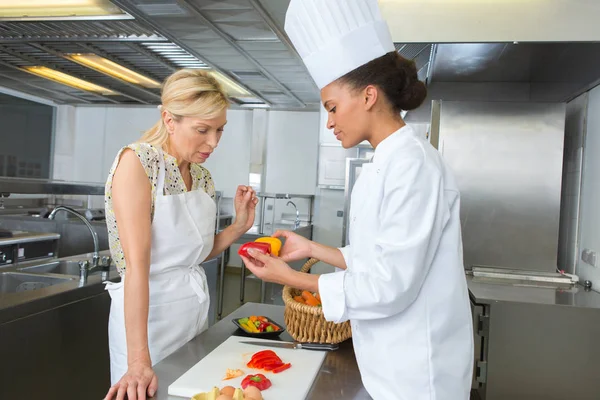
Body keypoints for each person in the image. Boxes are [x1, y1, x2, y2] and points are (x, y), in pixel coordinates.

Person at [240, 1, 474, 399]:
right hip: (387, 363)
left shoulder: (412, 165)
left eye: (332, 107)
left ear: (368, 96)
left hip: (418, 373)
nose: (329, 121)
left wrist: (291, 277)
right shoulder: (385, 161)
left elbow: (391, 285)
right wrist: (311, 248)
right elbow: (376, 256)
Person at [103, 69, 258, 400]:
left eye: (220, 130)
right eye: (202, 130)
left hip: (192, 317)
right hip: (148, 327)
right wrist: (138, 361)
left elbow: (192, 255)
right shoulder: (139, 162)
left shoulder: (202, 176)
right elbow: (137, 268)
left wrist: (238, 228)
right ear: (169, 119)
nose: (213, 142)